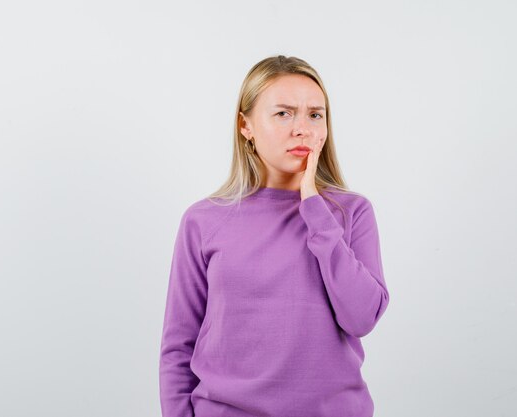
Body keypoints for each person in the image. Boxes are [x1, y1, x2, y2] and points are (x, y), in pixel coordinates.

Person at [158, 55, 390, 417]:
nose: (303, 128)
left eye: (315, 114)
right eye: (283, 113)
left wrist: (314, 205)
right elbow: (178, 346)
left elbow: (361, 318)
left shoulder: (351, 213)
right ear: (245, 125)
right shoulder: (203, 220)